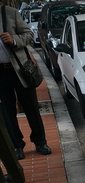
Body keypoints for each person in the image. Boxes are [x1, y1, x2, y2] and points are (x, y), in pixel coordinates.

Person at [0, 0, 51, 160]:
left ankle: (40, 142)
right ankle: (17, 146)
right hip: (0, 74)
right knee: (7, 112)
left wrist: (13, 40)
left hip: (19, 70)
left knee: (31, 107)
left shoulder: (9, 13)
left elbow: (29, 35)